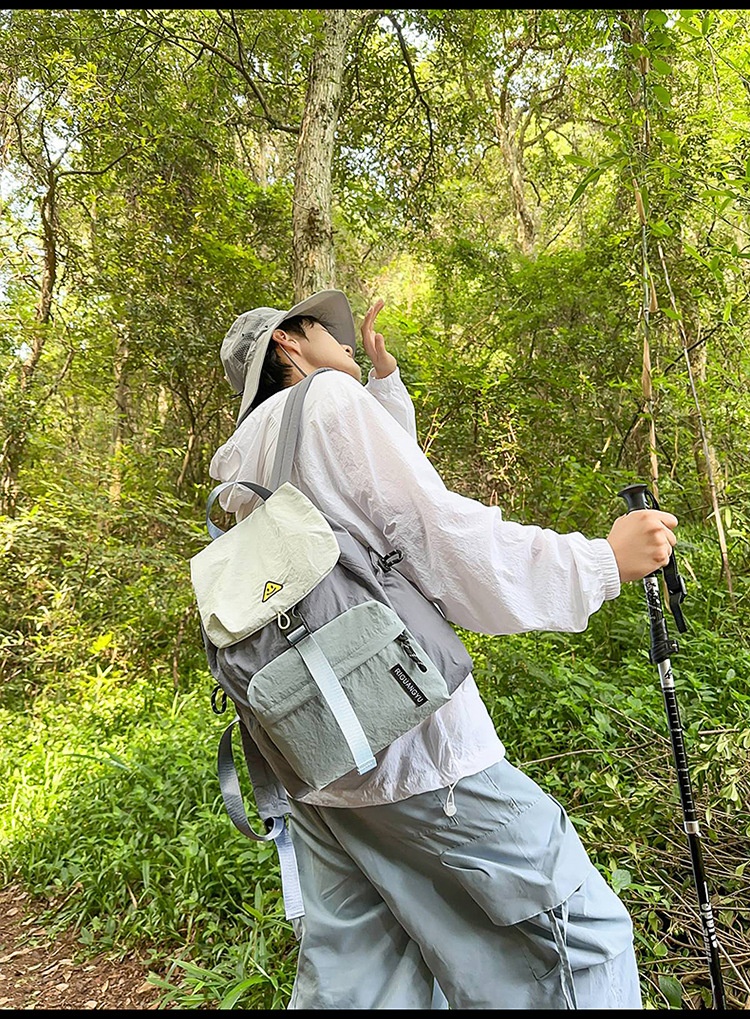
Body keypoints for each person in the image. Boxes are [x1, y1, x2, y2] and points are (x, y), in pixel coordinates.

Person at [209, 288, 678, 1010]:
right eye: (321, 331)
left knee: (370, 977)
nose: (341, 343)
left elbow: (356, 529)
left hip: (317, 760)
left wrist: (385, 384)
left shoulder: (243, 464)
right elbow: (429, 533)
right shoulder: (331, 403)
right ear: (287, 345)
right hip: (412, 746)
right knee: (582, 943)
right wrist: (599, 563)